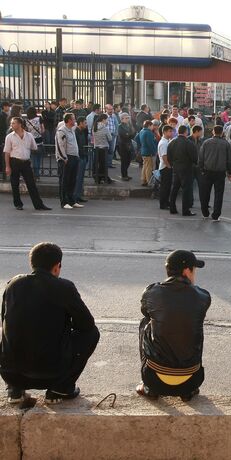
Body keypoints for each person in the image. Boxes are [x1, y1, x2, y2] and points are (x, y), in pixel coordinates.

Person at [0, 242, 99, 404]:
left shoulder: (13, 284)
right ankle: (61, 388)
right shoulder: (64, 287)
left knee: (8, 332)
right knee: (92, 334)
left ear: (32, 264)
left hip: (11, 373)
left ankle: (14, 390)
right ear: (57, 266)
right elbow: (87, 325)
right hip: (51, 375)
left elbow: (5, 320)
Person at [137, 250, 210, 401]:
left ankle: (148, 388)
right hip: (192, 380)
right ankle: (187, 391)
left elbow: (145, 311)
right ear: (186, 271)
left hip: (154, 377)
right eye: (194, 269)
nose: (194, 274)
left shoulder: (152, 292)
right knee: (191, 326)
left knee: (146, 323)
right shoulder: (203, 296)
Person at [4, 117, 51, 211]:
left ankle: (38, 204)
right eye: (11, 123)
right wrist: (7, 166)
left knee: (31, 184)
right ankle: (18, 204)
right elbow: (7, 152)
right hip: (14, 161)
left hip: (26, 162)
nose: (12, 125)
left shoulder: (29, 135)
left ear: (20, 124)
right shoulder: (9, 137)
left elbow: (34, 147)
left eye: (14, 123)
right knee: (14, 184)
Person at [199, 125, 231, 221]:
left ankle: (205, 211)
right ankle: (216, 214)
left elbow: (201, 157)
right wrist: (230, 172)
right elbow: (229, 160)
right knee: (219, 194)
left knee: (205, 192)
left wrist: (201, 169)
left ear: (213, 132)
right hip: (220, 172)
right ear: (222, 132)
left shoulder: (206, 143)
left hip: (207, 171)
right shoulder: (226, 144)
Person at [167, 125, 198, 216]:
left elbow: (169, 156)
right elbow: (194, 157)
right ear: (186, 132)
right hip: (186, 168)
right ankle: (185, 210)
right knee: (186, 190)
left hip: (176, 168)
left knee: (175, 188)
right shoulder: (188, 143)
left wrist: (173, 164)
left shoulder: (172, 142)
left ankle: (172, 208)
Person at [55, 113, 84, 210]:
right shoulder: (62, 131)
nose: (75, 120)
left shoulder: (72, 129)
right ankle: (64, 202)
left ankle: (72, 200)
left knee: (72, 180)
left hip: (74, 157)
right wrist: (64, 158)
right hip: (66, 159)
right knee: (64, 181)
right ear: (68, 120)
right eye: (73, 119)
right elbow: (60, 145)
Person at [73, 117, 89, 204]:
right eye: (85, 123)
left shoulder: (82, 132)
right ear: (80, 123)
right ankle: (75, 196)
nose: (86, 125)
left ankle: (78, 195)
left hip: (83, 156)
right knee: (78, 178)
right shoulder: (76, 132)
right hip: (79, 157)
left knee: (81, 178)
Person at [117, 114, 136, 181]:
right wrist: (129, 134)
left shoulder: (129, 125)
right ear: (122, 119)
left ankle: (126, 174)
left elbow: (133, 134)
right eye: (126, 118)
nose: (128, 119)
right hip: (123, 145)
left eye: (128, 118)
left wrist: (129, 134)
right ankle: (123, 175)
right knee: (124, 161)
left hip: (129, 144)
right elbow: (124, 135)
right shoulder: (120, 126)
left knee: (128, 160)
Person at [139, 120, 158, 186]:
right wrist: (154, 152)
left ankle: (143, 180)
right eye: (152, 125)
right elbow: (151, 144)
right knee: (149, 168)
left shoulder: (141, 131)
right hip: (148, 152)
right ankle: (149, 181)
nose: (153, 127)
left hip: (143, 151)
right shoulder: (149, 132)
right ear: (149, 126)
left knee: (145, 166)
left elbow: (136, 139)